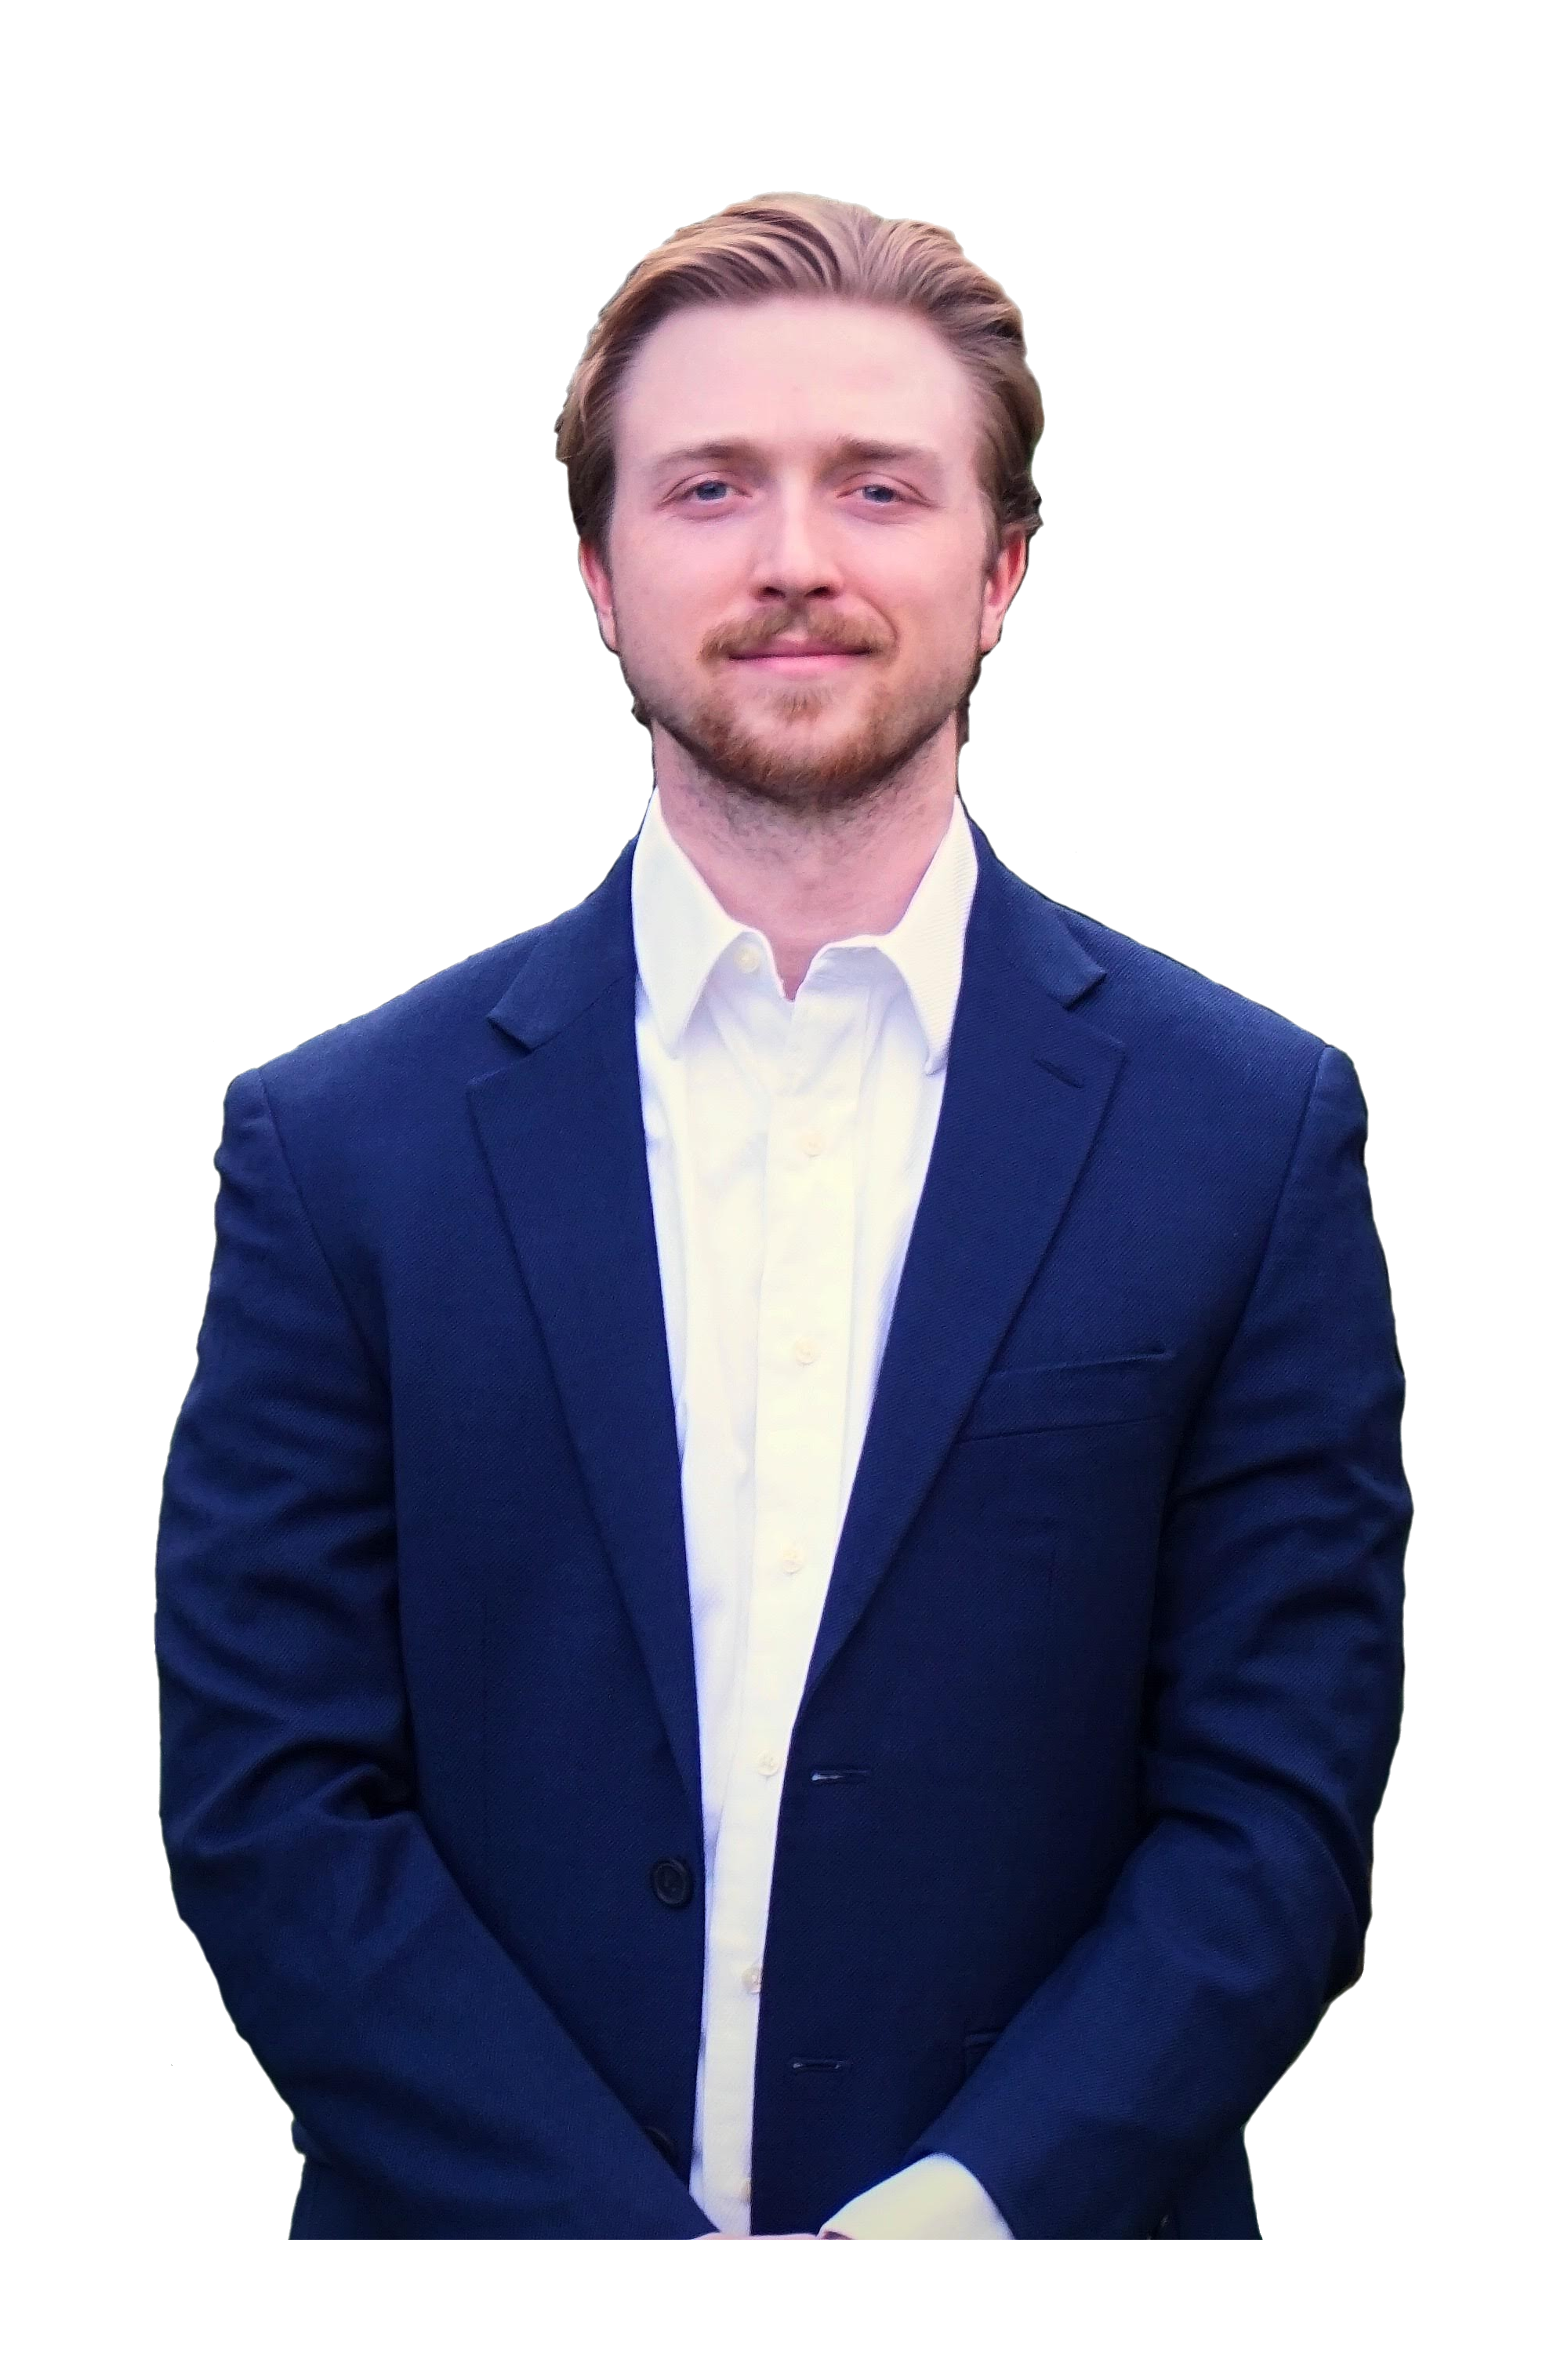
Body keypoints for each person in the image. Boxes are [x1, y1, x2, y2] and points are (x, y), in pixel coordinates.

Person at [155, 193, 1410, 2248]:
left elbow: (1270, 1819)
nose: (795, 559)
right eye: (711, 486)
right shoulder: (340, 1144)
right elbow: (274, 1799)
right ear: (599, 571)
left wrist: (980, 2207)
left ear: (1003, 568)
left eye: (880, 487)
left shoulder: (1249, 1133)